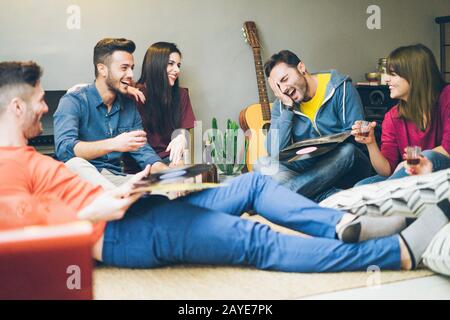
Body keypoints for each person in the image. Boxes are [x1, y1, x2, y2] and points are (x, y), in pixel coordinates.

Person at [2, 61, 448, 273]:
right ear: (17, 105)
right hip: (122, 232)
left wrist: (141, 181)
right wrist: (101, 207)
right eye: (40, 98)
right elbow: (22, 244)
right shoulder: (7, 167)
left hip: (130, 205)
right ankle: (398, 252)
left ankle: (341, 224)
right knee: (255, 240)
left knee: (255, 184)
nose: (47, 105)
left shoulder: (25, 156)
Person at [256, 50, 371, 202]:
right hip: (311, 169)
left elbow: (357, 138)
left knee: (347, 151)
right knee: (263, 164)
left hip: (345, 165)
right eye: (278, 86)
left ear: (301, 67)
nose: (283, 89)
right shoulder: (283, 104)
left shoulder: (341, 88)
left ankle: (284, 196)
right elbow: (274, 151)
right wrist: (288, 108)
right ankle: (327, 196)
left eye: (285, 79)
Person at [53, 38, 168, 187]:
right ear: (102, 69)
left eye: (132, 68)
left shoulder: (129, 106)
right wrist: (113, 144)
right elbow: (64, 150)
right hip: (80, 179)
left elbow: (142, 151)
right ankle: (120, 199)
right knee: (74, 164)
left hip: (114, 178)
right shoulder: (73, 101)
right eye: (124, 68)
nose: (131, 74)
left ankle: (121, 198)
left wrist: (167, 172)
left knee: (165, 188)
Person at [354, 44, 450, 186]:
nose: (386, 80)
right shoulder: (392, 117)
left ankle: (383, 195)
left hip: (442, 173)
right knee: (360, 187)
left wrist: (409, 162)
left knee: (427, 156)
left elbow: (447, 149)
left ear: (415, 75)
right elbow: (387, 171)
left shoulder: (446, 96)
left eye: (393, 75)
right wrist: (371, 143)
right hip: (409, 176)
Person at [130, 42, 196, 166]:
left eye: (178, 65)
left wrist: (182, 137)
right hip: (138, 161)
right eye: (170, 64)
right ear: (155, 65)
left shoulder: (182, 94)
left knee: (181, 170)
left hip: (169, 157)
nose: (177, 70)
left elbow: (184, 129)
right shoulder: (134, 94)